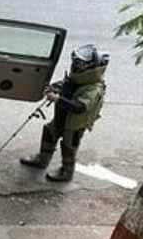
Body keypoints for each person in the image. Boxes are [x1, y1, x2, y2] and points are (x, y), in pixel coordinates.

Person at [19, 44, 108, 182]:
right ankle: (42, 160)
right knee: (49, 132)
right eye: (76, 63)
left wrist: (57, 99)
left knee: (68, 147)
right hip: (62, 116)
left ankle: (67, 171)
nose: (76, 66)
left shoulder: (93, 88)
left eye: (81, 64)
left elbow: (79, 107)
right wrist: (53, 88)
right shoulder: (77, 79)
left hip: (74, 124)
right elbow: (65, 84)